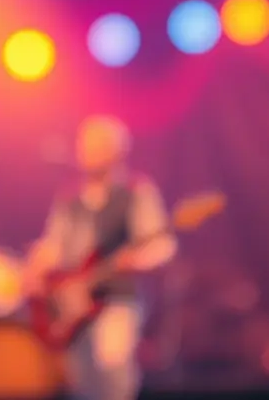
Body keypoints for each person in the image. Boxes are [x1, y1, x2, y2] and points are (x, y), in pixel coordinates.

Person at [24, 115, 178, 400]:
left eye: (96, 145)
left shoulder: (136, 192)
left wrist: (139, 259)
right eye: (84, 144)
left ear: (117, 150)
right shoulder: (69, 197)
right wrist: (37, 266)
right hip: (73, 302)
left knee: (113, 370)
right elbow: (54, 244)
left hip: (118, 298)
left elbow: (162, 245)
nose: (86, 151)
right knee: (82, 380)